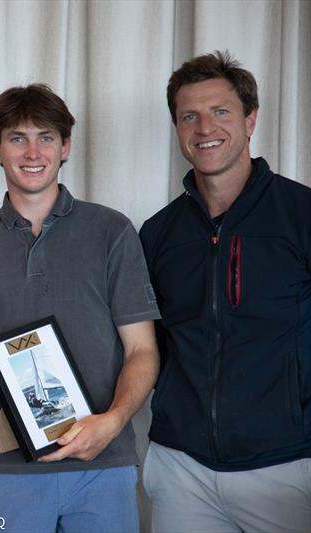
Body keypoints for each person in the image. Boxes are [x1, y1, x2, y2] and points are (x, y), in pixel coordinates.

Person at [0, 84, 161, 532]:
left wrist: (114, 421)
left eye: (45, 137)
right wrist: (17, 392)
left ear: (65, 146)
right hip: (2, 470)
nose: (32, 152)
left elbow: (143, 351)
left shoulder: (112, 231)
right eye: (17, 139)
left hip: (105, 461)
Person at [139, 50, 311, 532]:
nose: (204, 128)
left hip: (286, 466)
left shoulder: (300, 214)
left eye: (221, 111)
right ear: (176, 129)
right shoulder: (157, 234)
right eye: (188, 116)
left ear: (251, 119)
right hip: (180, 467)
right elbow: (145, 345)